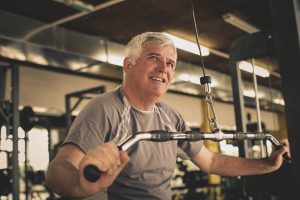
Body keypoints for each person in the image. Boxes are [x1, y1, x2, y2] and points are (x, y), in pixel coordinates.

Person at [45, 32, 289, 200]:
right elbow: (58, 169)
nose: (164, 69)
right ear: (128, 66)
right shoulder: (104, 108)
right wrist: (80, 182)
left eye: (171, 63)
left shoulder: (170, 116)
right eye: (154, 58)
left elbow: (212, 162)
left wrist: (267, 164)